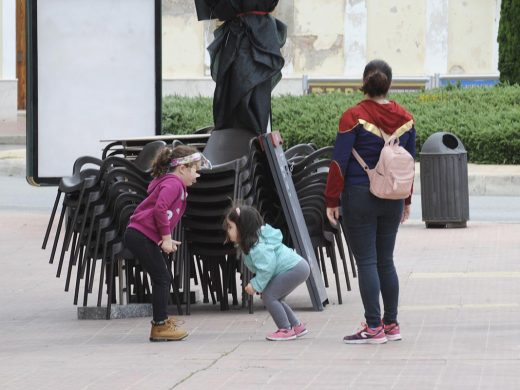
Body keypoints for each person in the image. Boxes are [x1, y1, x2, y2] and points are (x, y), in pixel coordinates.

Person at [324, 59, 416, 344]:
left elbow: (338, 163)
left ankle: (373, 327)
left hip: (359, 195)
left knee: (366, 261)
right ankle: (392, 324)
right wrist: (407, 200)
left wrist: (331, 199)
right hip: (393, 197)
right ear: (389, 83)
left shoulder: (352, 117)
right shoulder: (406, 118)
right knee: (385, 260)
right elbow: (409, 163)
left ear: (364, 82)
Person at [124, 145, 211, 342]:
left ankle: (161, 321)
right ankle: (160, 326)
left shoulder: (171, 182)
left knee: (161, 277)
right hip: (140, 235)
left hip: (140, 234)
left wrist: (167, 237)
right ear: (182, 168)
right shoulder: (174, 184)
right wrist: (165, 238)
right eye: (195, 169)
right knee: (162, 278)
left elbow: (161, 211)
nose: (197, 175)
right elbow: (160, 209)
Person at [224, 205, 310, 341]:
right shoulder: (256, 242)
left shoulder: (258, 247)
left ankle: (286, 329)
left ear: (243, 228)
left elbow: (267, 268)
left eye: (230, 227)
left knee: (269, 296)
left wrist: (255, 285)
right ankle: (296, 326)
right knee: (276, 297)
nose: (227, 230)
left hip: (294, 268)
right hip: (297, 267)